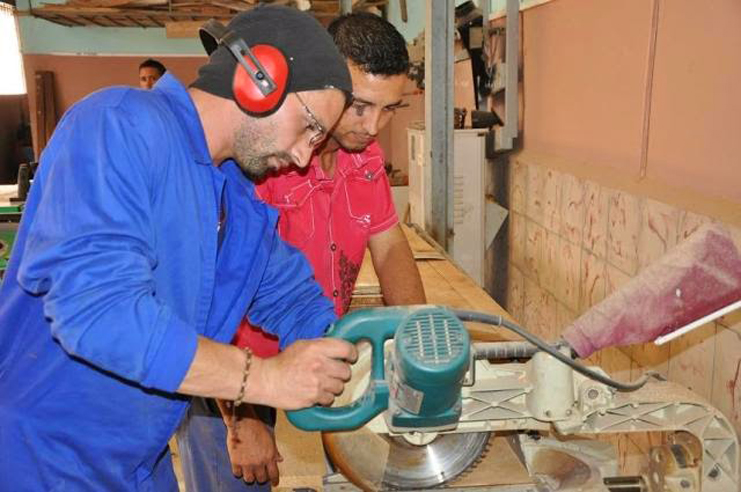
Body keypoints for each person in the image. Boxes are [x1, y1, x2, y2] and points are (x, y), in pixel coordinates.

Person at [0, 6, 360, 491]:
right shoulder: (119, 126)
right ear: (260, 80)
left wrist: (371, 357)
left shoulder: (235, 200)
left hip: (138, 464)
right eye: (309, 127)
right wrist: (263, 378)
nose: (302, 157)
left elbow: (294, 300)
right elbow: (99, 312)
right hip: (38, 460)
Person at [176, 12, 426, 490]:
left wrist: (415, 342)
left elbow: (390, 246)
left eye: (390, 108)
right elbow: (212, 297)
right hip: (229, 373)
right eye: (358, 106)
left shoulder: (363, 156)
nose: (373, 126)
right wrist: (244, 414)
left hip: (318, 346)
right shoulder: (258, 156)